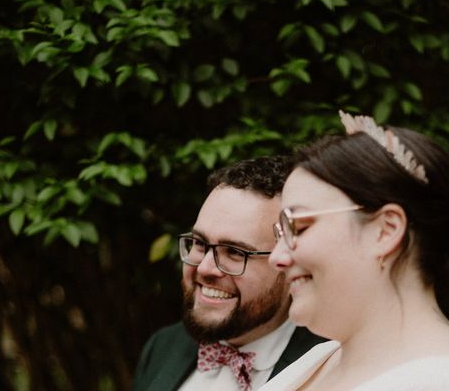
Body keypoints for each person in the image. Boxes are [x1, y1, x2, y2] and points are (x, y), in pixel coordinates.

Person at [261, 111, 449, 391]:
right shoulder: (324, 357)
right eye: (280, 233)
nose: (276, 258)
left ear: (386, 230)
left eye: (299, 227)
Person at [132, 156, 325, 391]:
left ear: (289, 261)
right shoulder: (163, 346)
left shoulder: (330, 365)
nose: (204, 268)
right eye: (200, 243)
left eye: (234, 252)